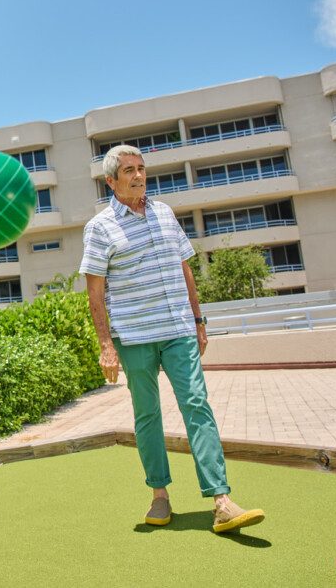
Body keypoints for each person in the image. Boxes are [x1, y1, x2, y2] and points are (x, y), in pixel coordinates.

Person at [79, 144, 264, 534]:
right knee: (148, 416)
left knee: (197, 405)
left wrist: (198, 321)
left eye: (141, 168)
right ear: (111, 181)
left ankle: (221, 500)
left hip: (178, 330)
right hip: (134, 337)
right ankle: (160, 495)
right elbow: (95, 294)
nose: (138, 175)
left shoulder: (164, 213)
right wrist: (106, 345)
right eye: (128, 170)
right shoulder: (99, 228)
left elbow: (185, 270)